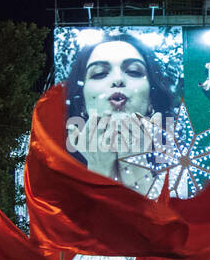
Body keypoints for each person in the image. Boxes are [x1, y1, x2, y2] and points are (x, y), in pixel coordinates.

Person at [63, 32, 178, 195]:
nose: (118, 79)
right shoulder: (58, 179)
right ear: (81, 102)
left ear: (151, 98)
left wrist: (137, 172)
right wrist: (99, 171)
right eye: (99, 73)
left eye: (134, 71)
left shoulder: (181, 174)